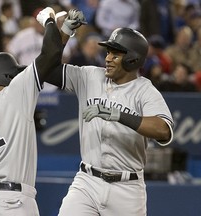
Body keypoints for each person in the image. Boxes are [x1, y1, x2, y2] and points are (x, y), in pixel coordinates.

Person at [0, 7, 86, 216]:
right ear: (9, 77)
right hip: (14, 203)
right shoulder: (15, 93)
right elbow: (50, 56)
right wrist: (49, 21)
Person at [45, 27, 174, 215]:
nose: (107, 58)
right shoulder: (90, 76)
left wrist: (119, 115)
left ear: (132, 59)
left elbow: (163, 130)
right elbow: (47, 70)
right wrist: (64, 33)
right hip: (87, 181)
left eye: (115, 54)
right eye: (108, 52)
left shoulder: (145, 90)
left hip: (127, 189)